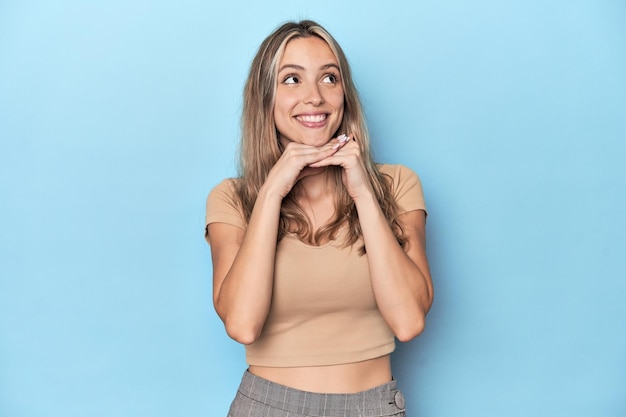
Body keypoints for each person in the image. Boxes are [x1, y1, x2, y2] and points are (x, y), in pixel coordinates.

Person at [205, 19, 433, 417]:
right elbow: (242, 325)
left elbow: (409, 321)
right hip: (267, 406)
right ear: (265, 98)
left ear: (345, 95)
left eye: (329, 78)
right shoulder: (234, 199)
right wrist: (273, 191)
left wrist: (363, 192)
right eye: (291, 79)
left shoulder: (395, 185)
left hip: (373, 406)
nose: (314, 97)